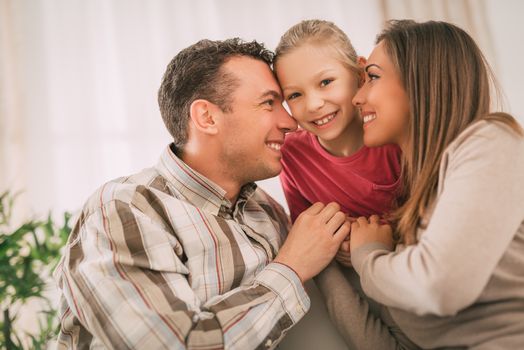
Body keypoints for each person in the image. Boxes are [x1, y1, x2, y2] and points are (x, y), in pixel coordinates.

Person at [53, 38, 351, 349]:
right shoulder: (126, 209)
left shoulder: (266, 211)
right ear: (207, 118)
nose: (290, 121)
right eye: (268, 103)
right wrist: (291, 268)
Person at [317, 20, 524, 349]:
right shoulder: (418, 202)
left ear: (420, 81)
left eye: (372, 76)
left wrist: (368, 257)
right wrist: (315, 260)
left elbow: (439, 288)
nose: (357, 97)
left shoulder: (492, 142)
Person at [273, 19, 401, 226]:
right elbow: (307, 232)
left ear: (360, 75)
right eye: (295, 95)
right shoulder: (291, 154)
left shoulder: (395, 135)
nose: (313, 105)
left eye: (326, 82)